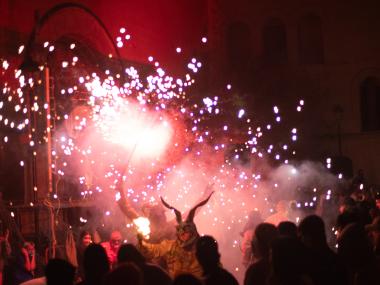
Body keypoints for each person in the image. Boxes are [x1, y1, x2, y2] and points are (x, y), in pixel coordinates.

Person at [138, 193, 213, 279]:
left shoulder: (154, 233)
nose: (164, 217)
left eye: (163, 214)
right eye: (161, 215)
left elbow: (190, 213)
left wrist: (203, 196)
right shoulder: (149, 234)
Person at [298, 215, 346, 285]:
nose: (301, 240)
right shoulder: (336, 259)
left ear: (308, 237)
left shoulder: (308, 262)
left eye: (301, 236)